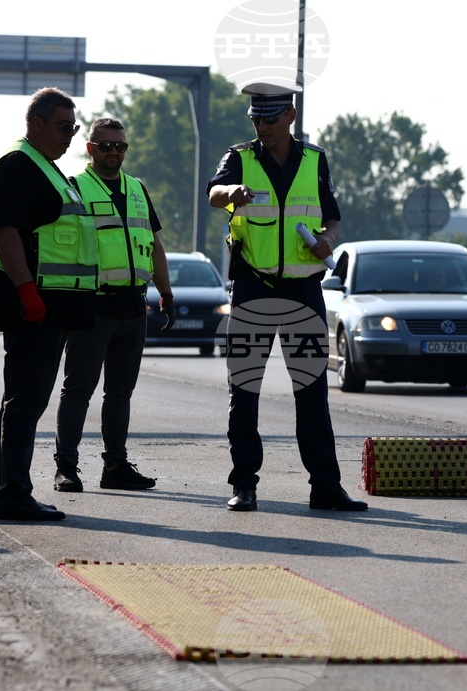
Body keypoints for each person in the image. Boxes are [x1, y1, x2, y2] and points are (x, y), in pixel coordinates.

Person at [206, 82, 368, 513]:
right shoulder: (239, 157)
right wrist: (232, 194)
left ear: (290, 116)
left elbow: (331, 216)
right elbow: (213, 193)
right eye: (256, 119)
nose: (263, 126)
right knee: (244, 391)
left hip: (303, 288)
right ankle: (244, 485)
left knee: (312, 392)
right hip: (253, 286)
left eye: (271, 119)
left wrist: (327, 241)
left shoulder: (315, 160)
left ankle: (325, 487)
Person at [0, 87, 98, 521]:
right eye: (65, 127)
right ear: (37, 124)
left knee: (23, 400)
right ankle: (12, 495)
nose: (70, 135)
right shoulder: (18, 165)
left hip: (51, 305)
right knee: (26, 401)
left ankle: (5, 490)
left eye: (74, 127)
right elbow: (5, 232)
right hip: (35, 305)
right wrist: (27, 290)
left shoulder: (45, 168)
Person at [52, 118, 172, 494]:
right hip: (93, 305)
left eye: (121, 146)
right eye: (106, 146)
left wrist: (165, 291)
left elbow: (154, 244)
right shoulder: (74, 188)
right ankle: (66, 468)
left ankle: (115, 465)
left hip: (134, 305)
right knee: (78, 390)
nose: (115, 153)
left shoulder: (136, 188)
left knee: (120, 393)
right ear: (90, 149)